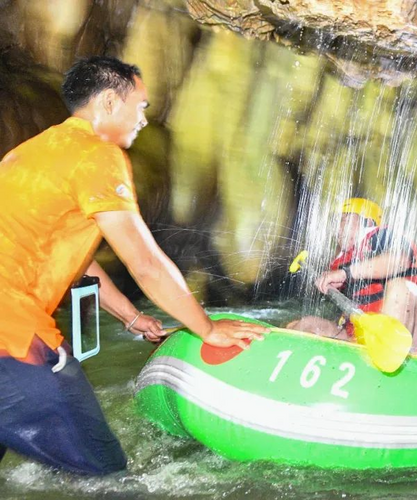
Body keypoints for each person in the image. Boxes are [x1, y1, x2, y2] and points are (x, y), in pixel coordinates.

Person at [0, 56, 267, 475]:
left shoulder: (31, 153)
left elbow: (75, 258)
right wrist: (208, 329)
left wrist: (130, 316)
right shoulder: (96, 155)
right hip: (12, 341)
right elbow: (144, 262)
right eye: (140, 106)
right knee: (106, 477)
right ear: (109, 102)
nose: (144, 119)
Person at [288, 198, 417, 352]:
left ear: (368, 222)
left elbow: (400, 261)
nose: (338, 227)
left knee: (401, 287)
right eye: (336, 221)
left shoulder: (384, 236)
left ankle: (389, 351)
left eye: (345, 218)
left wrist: (346, 274)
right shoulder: (344, 260)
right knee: (305, 325)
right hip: (366, 340)